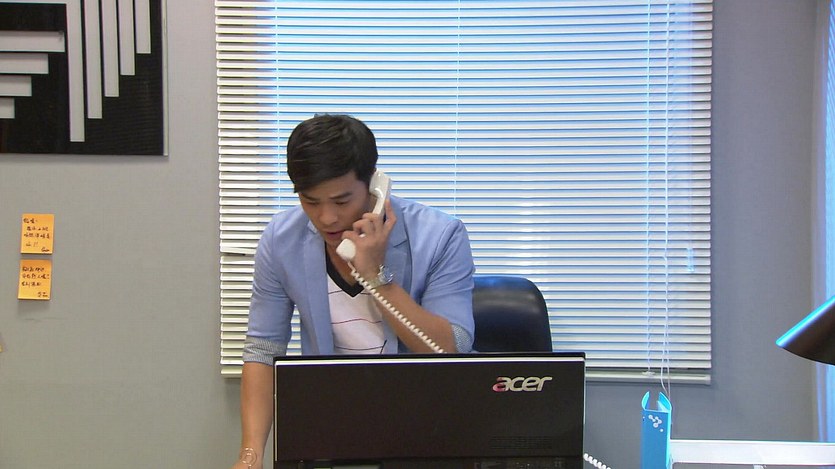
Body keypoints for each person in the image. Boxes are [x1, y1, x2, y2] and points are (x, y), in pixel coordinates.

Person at [231, 114, 475, 468]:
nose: (326, 218)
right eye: (310, 201)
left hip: (428, 426)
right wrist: (250, 456)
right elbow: (263, 350)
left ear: (374, 186)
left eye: (342, 201)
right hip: (334, 426)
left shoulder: (441, 236)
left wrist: (376, 276)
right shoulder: (281, 240)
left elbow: (453, 349)